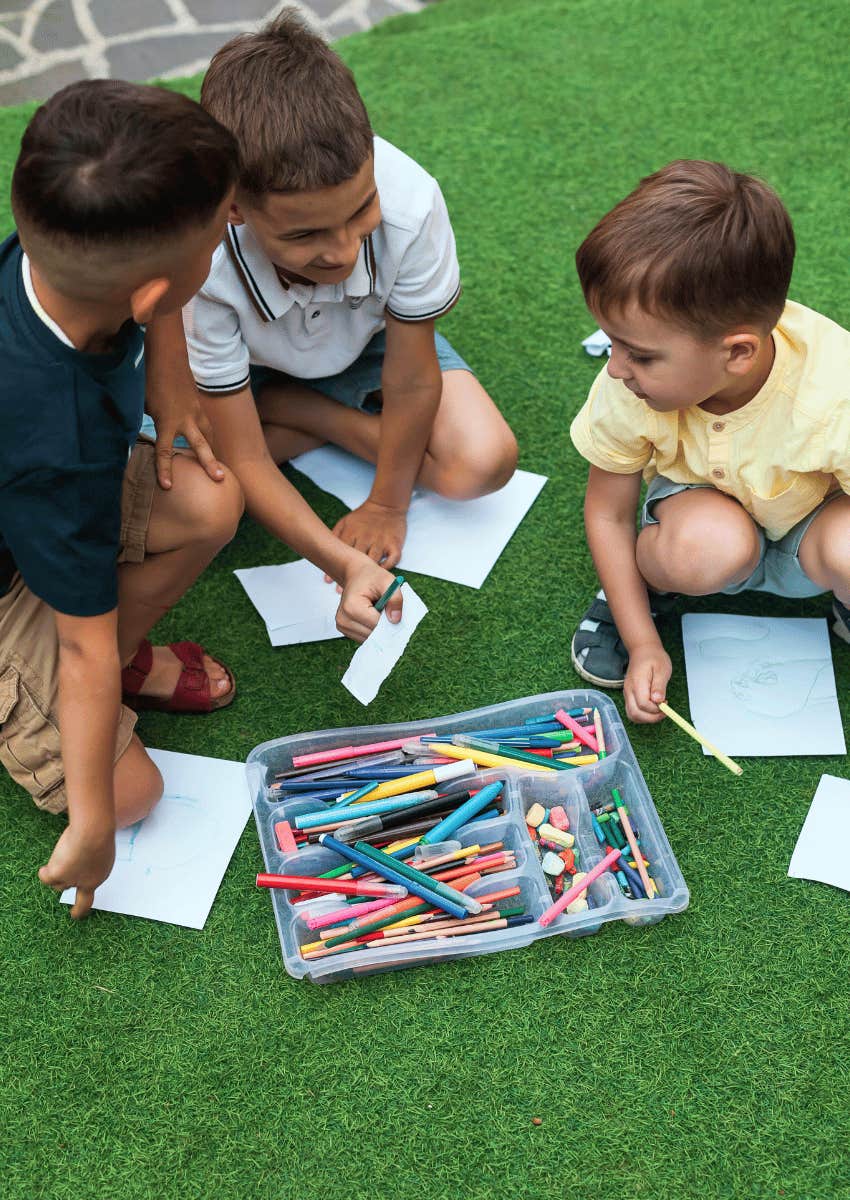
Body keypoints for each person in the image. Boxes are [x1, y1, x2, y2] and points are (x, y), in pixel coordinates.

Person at [153, 8, 518, 640]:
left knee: (484, 463)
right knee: (199, 493)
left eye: (361, 209)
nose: (344, 249)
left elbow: (410, 378)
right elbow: (241, 454)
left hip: (368, 351)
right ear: (233, 207)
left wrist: (386, 504)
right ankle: (291, 407)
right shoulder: (201, 263)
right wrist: (339, 560)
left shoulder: (412, 201)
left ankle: (309, 412)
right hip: (248, 372)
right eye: (305, 234)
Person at [1, 80, 245, 916]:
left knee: (211, 503)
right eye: (220, 235)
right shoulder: (53, 436)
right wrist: (97, 827)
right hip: (22, 559)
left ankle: (114, 654)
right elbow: (80, 649)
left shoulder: (56, 254)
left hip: (37, 522)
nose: (232, 232)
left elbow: (155, 301)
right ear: (147, 293)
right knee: (134, 792)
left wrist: (171, 382)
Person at [569, 159, 850, 723]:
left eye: (641, 354)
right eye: (612, 343)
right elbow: (607, 513)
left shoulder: (835, 393)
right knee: (706, 548)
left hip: (810, 527)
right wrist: (642, 639)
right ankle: (651, 590)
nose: (617, 368)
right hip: (702, 518)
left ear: (738, 352)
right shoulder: (629, 385)